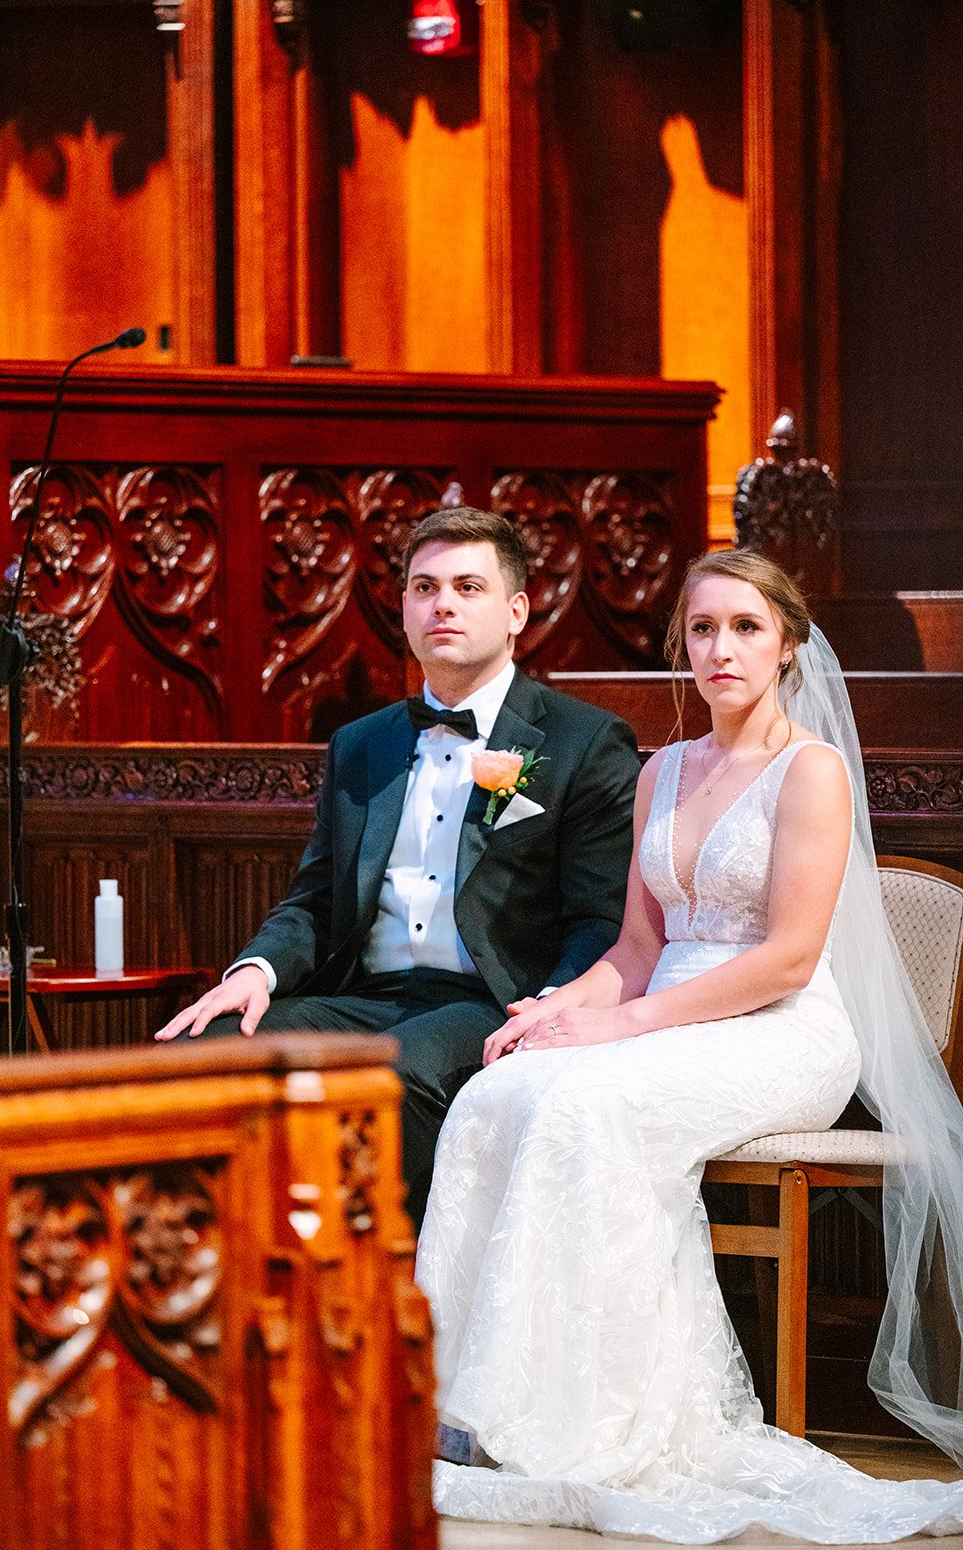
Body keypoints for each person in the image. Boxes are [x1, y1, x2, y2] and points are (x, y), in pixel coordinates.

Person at [416, 547, 963, 1550]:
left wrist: (617, 1026)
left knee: (587, 1107)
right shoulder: (660, 771)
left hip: (781, 1028)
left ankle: (593, 1421)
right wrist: (554, 1007)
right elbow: (634, 950)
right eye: (701, 628)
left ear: (788, 643)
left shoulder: (812, 769)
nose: (721, 648)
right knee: (500, 1089)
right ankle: (466, 1407)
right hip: (665, 1013)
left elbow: (787, 957)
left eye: (745, 627)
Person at [156, 504, 640, 1229]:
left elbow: (600, 916)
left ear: (516, 611)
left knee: (389, 1078)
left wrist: (550, 1007)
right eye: (424, 587)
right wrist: (252, 972)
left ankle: (382, 1304)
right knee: (200, 1050)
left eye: (467, 587)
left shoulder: (581, 741)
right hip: (364, 994)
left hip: (491, 1001)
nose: (442, 602)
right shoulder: (362, 743)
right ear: (404, 612)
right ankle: (231, 1282)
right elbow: (316, 902)